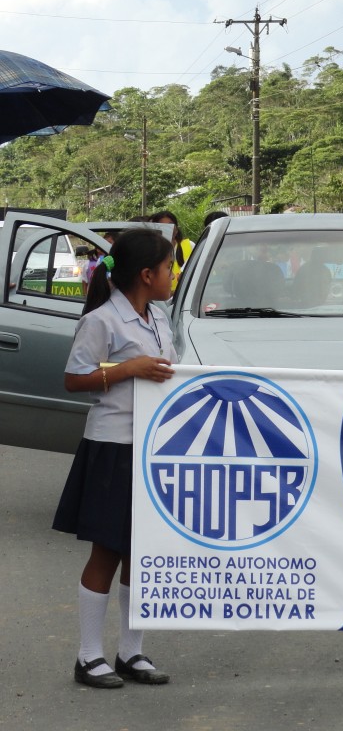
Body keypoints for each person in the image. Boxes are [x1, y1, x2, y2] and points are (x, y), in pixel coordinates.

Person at [51, 229, 177, 688]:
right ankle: (88, 657)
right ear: (146, 274)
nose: (173, 274)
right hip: (112, 446)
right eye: (168, 267)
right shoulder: (102, 321)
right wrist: (127, 369)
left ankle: (131, 652)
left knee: (141, 553)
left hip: (150, 447)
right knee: (106, 550)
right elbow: (74, 379)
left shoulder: (160, 318)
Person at [149, 210, 193, 289]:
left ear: (176, 229)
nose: (168, 229)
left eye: (170, 225)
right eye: (162, 226)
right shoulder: (151, 250)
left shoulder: (189, 245)